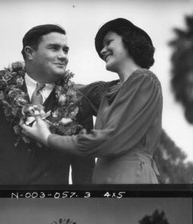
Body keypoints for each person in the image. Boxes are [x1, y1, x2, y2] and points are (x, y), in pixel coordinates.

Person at [22, 18, 162, 184]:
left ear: (129, 42)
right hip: (103, 180)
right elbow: (66, 90)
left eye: (109, 42)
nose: (103, 50)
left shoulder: (145, 80)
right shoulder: (104, 92)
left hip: (132, 178)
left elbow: (111, 139)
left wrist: (48, 138)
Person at [0, 24, 95, 185]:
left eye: (65, 50)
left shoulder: (78, 102)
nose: (63, 56)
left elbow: (84, 168)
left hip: (49, 206)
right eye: (54, 48)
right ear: (30, 53)